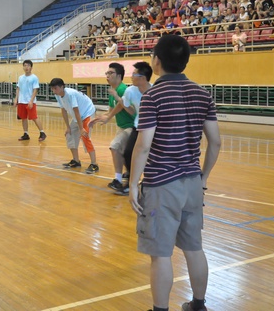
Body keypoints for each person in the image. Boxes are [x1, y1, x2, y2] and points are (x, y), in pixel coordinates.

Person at [128, 35, 221, 311]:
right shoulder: (203, 94)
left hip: (161, 185)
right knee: (194, 248)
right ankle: (198, 305)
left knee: (160, 254)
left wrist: (132, 184)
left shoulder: (153, 96)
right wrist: (203, 177)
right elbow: (215, 142)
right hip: (192, 183)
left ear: (156, 61)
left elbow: (143, 145)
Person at [89, 63, 134, 187]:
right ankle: (129, 174)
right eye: (106, 73)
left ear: (119, 76)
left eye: (110, 73)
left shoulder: (122, 89)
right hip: (122, 126)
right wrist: (97, 118)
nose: (107, 76)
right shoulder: (113, 91)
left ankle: (118, 180)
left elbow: (120, 106)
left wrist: (108, 118)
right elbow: (111, 111)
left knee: (115, 147)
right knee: (123, 152)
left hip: (131, 126)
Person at [119, 61, 153, 196]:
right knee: (128, 153)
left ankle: (149, 183)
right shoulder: (130, 91)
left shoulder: (155, 90)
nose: (131, 77)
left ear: (143, 78)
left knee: (151, 157)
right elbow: (126, 106)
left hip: (154, 129)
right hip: (138, 126)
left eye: (134, 74)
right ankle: (130, 182)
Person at [49, 78, 98, 173]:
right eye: (52, 88)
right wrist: (68, 127)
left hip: (87, 113)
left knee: (85, 136)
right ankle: (76, 160)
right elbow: (63, 110)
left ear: (62, 87)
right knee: (69, 134)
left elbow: (76, 111)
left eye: (55, 88)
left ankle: (94, 164)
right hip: (78, 116)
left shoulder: (70, 94)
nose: (53, 91)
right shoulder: (58, 95)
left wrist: (81, 128)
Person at [14, 60, 46, 142]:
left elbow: (35, 89)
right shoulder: (20, 78)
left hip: (30, 101)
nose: (26, 67)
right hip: (21, 101)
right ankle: (26, 134)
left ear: (31, 67)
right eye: (25, 65)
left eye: (28, 65)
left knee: (34, 117)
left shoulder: (34, 77)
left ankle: (42, 132)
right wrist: (16, 99)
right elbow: (18, 88)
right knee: (23, 118)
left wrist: (31, 101)